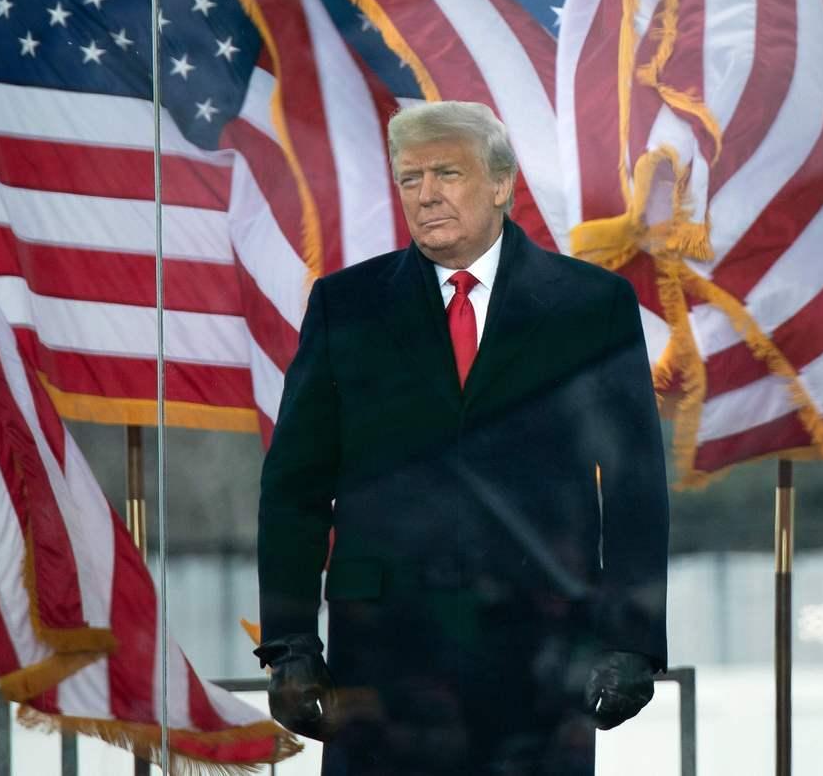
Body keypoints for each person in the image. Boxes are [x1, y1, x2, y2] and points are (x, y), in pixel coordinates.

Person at [254, 101, 669, 775]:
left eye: (446, 172)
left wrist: (632, 641)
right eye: (410, 178)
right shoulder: (345, 306)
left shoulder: (591, 307)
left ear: (502, 184)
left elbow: (635, 489)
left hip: (541, 654)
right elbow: (295, 489)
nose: (426, 195)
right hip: (383, 659)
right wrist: (290, 643)